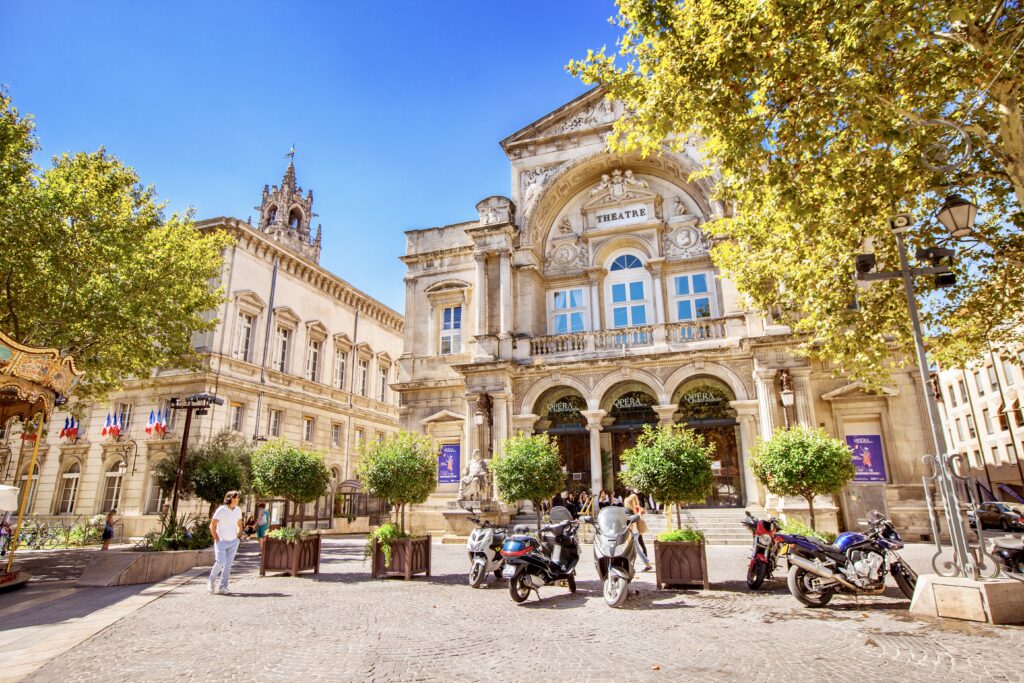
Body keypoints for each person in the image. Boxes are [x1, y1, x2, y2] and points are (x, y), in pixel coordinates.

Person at [209, 490, 244, 595]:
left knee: (228, 565)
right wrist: (217, 539)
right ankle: (211, 580)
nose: (238, 499)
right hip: (222, 541)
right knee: (220, 562)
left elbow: (239, 524)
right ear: (231, 498)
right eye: (236, 497)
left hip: (233, 541)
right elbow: (212, 526)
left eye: (238, 497)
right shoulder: (221, 510)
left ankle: (223, 587)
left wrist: (238, 536)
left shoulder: (238, 510)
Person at [623, 490, 651, 570]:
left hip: (633, 532)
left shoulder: (631, 510)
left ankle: (647, 564)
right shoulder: (637, 508)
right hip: (636, 531)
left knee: (636, 550)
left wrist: (630, 533)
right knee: (633, 549)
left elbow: (632, 523)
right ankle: (631, 566)